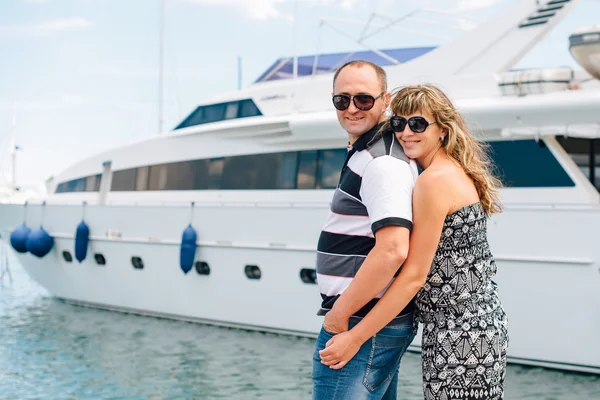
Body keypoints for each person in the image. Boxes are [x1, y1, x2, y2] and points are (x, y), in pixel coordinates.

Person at [319, 84, 509, 400]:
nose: (406, 132)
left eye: (418, 124)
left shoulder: (433, 182)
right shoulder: (451, 170)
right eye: (399, 123)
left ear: (443, 131)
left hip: (460, 333)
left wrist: (354, 337)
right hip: (475, 323)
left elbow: (414, 278)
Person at [312, 60, 419, 400]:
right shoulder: (369, 152)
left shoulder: (381, 162)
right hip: (364, 320)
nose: (352, 108)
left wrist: (338, 317)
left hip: (359, 321)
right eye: (342, 100)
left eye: (364, 99)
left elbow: (392, 249)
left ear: (385, 101)